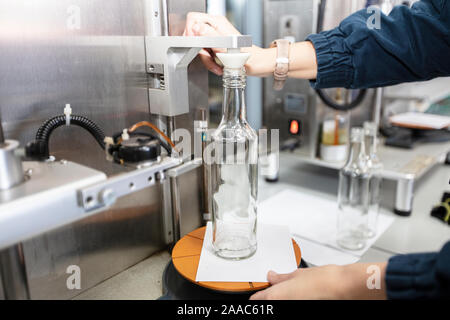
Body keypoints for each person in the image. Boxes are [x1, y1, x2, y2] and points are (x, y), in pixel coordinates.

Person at [183, 0, 450, 300]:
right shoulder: (227, 135)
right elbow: (417, 33)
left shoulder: (245, 134)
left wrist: (344, 283)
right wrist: (265, 57)